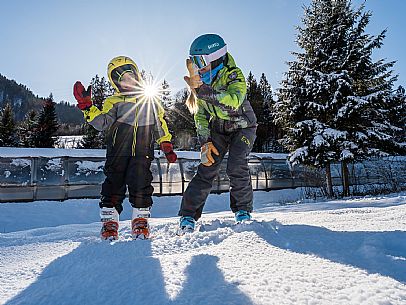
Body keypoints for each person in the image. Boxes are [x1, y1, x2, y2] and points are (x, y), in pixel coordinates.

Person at [73, 56, 177, 240]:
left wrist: (165, 143)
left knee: (141, 183)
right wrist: (87, 107)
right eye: (121, 78)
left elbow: (160, 123)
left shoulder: (150, 100)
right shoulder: (114, 101)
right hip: (118, 152)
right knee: (114, 182)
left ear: (137, 76)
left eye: (129, 76)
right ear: (115, 83)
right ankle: (109, 223)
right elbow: (103, 123)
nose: (127, 80)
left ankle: (140, 222)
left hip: (142, 152)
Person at [178, 34, 257, 234]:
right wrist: (205, 141)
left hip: (243, 127)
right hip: (219, 129)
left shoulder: (234, 75)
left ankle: (242, 211)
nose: (199, 68)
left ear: (217, 58)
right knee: (207, 167)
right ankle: (188, 215)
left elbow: (232, 103)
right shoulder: (201, 83)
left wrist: (202, 90)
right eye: (195, 63)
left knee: (236, 165)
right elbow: (201, 116)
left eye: (202, 62)